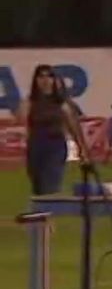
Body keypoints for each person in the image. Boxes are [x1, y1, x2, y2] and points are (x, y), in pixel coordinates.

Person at [19, 65, 69, 195]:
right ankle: (42, 214)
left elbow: (72, 123)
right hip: (36, 145)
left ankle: (50, 209)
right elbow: (20, 118)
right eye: (41, 76)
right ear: (36, 80)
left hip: (55, 145)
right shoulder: (31, 101)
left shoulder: (61, 101)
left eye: (49, 76)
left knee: (51, 184)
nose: (45, 80)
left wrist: (81, 149)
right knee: (38, 187)